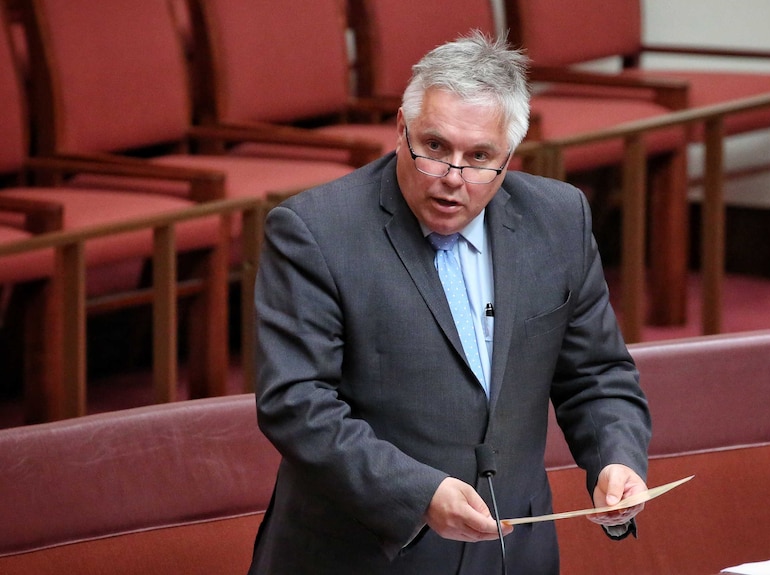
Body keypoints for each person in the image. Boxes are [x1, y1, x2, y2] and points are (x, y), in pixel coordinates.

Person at [249, 31, 651, 575]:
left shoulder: (560, 221)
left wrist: (617, 459)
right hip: (367, 552)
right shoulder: (315, 233)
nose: (451, 180)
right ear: (400, 129)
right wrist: (418, 493)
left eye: (479, 157)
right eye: (434, 148)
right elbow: (297, 403)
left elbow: (597, 374)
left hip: (514, 549)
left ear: (509, 157)